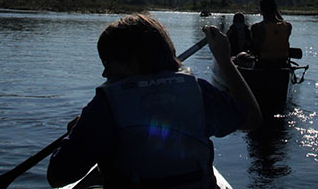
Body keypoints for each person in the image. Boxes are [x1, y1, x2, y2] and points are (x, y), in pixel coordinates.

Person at [46, 14, 262, 189]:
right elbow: (253, 118)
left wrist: (76, 133)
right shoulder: (197, 90)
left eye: (108, 62)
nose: (104, 73)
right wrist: (225, 61)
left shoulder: (106, 106)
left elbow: (58, 178)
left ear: (132, 62)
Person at [250, 0, 292, 68]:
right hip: (283, 64)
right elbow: (280, 24)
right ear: (275, 9)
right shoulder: (287, 26)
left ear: (261, 10)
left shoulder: (256, 27)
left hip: (264, 64)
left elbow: (255, 49)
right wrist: (276, 12)